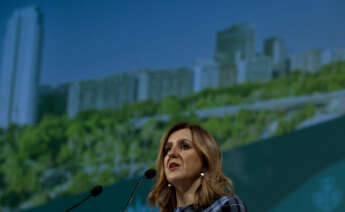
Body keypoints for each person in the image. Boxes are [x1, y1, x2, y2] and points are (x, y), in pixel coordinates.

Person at [148, 122, 247, 212]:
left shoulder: (226, 206)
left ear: (205, 160)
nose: (171, 153)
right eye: (167, 149)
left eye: (185, 146)